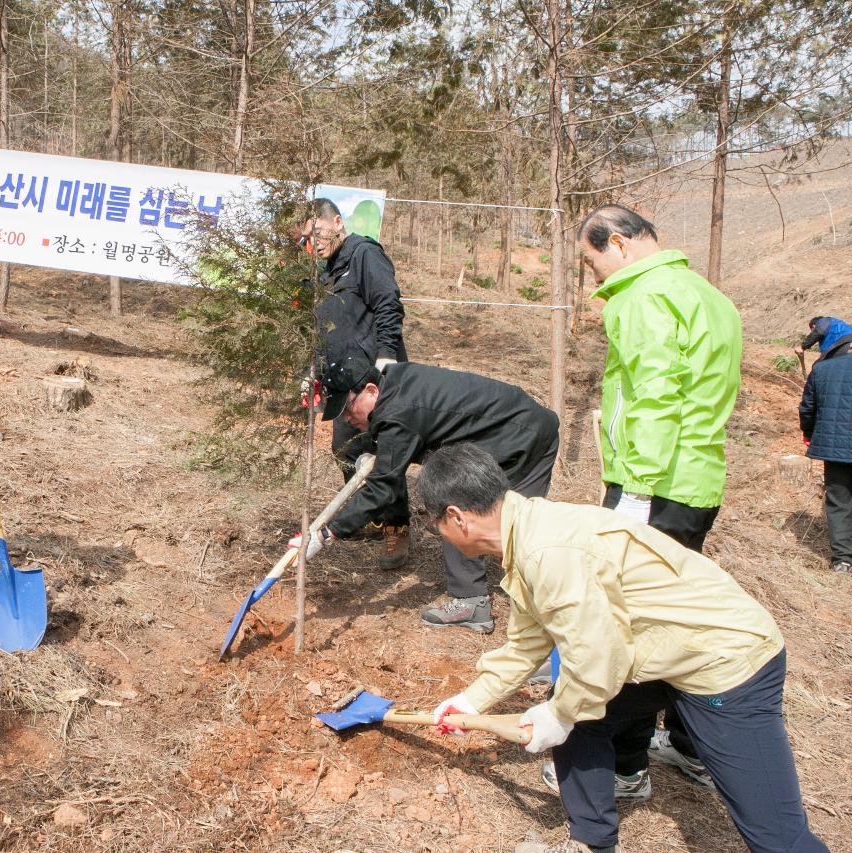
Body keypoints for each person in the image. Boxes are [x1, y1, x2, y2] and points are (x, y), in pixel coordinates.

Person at [423, 444, 828, 853]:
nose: (440, 534)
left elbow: (595, 660)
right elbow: (528, 643)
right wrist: (471, 701)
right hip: (666, 652)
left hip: (726, 661)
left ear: (457, 517)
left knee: (777, 835)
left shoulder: (548, 551)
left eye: (436, 523)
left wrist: (558, 716)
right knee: (576, 709)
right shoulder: (526, 533)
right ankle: (591, 841)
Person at [576, 203, 742, 792]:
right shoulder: (705, 294)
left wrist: (635, 495)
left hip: (656, 484)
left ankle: (626, 766)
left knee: (632, 626)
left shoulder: (644, 296)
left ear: (617, 243)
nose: (594, 277)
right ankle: (687, 744)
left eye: (592, 262)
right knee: (675, 612)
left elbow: (654, 396)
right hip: (696, 480)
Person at [290, 353, 559, 632]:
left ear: (371, 390)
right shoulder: (394, 382)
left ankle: (529, 618)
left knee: (490, 519)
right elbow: (402, 430)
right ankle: (488, 601)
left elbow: (383, 489)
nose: (346, 418)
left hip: (522, 438)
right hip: (524, 424)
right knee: (497, 521)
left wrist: (325, 534)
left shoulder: (399, 412)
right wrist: (377, 450)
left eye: (346, 409)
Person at [299, 198, 409, 569]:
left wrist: (387, 356)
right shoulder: (325, 272)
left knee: (385, 454)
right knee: (344, 448)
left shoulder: (364, 254)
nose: (315, 240)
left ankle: (397, 528)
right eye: (308, 238)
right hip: (344, 381)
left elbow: (388, 303)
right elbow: (321, 329)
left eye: (319, 230)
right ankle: (371, 517)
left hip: (376, 378)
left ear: (337, 222)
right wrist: (311, 371)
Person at [799, 328, 852, 574]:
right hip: (837, 447)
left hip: (836, 448)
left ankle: (843, 559)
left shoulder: (822, 369)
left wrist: (809, 434)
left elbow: (807, 409)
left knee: (839, 501)